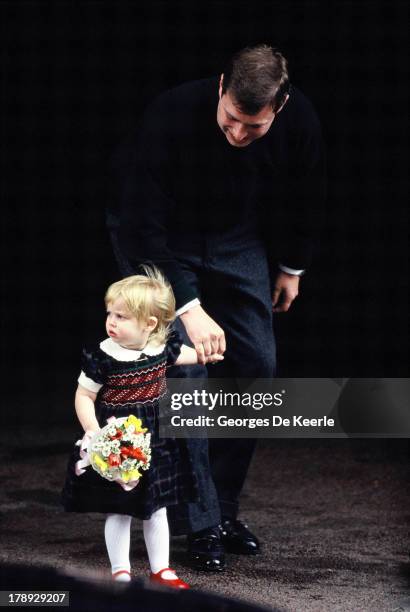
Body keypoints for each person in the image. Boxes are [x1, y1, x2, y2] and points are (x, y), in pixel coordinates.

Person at [108, 44, 325, 571]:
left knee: (259, 366)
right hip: (159, 240)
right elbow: (143, 228)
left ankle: (222, 508)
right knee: (188, 374)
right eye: (231, 120)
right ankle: (200, 522)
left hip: (236, 239)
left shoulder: (301, 122)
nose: (237, 135)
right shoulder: (170, 113)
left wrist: (292, 268)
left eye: (254, 128)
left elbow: (307, 195)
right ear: (222, 86)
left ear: (281, 105)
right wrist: (187, 307)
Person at [62, 268, 223, 587]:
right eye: (110, 313)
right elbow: (84, 395)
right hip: (118, 441)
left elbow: (183, 356)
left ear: (150, 325)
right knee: (119, 510)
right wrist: (94, 431)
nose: (111, 321)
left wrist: (207, 356)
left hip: (157, 442)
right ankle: (120, 572)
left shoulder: (160, 348)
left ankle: (160, 569)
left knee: (158, 508)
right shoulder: (104, 356)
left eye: (121, 316)